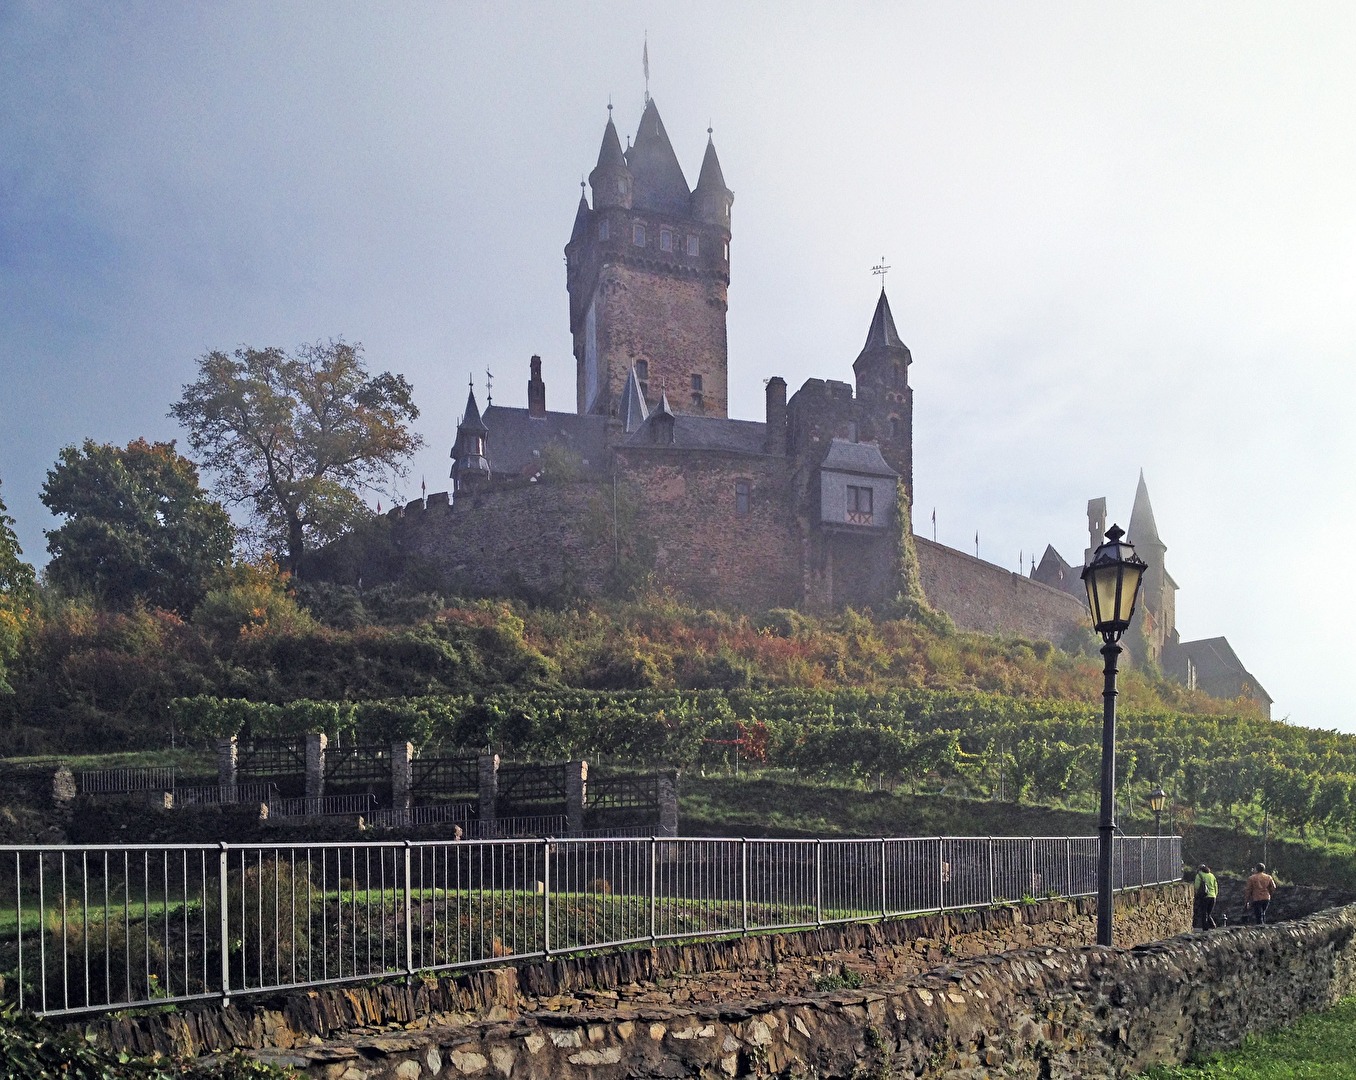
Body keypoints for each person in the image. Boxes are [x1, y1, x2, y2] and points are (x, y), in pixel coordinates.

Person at [1193, 863, 1218, 929]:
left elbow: (1197, 886)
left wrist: (1196, 895)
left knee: (1204, 913)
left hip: (1205, 896)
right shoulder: (1212, 875)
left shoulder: (1199, 875)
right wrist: (1215, 894)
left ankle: (1205, 927)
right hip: (1213, 896)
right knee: (1208, 913)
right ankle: (1213, 926)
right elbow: (1216, 886)